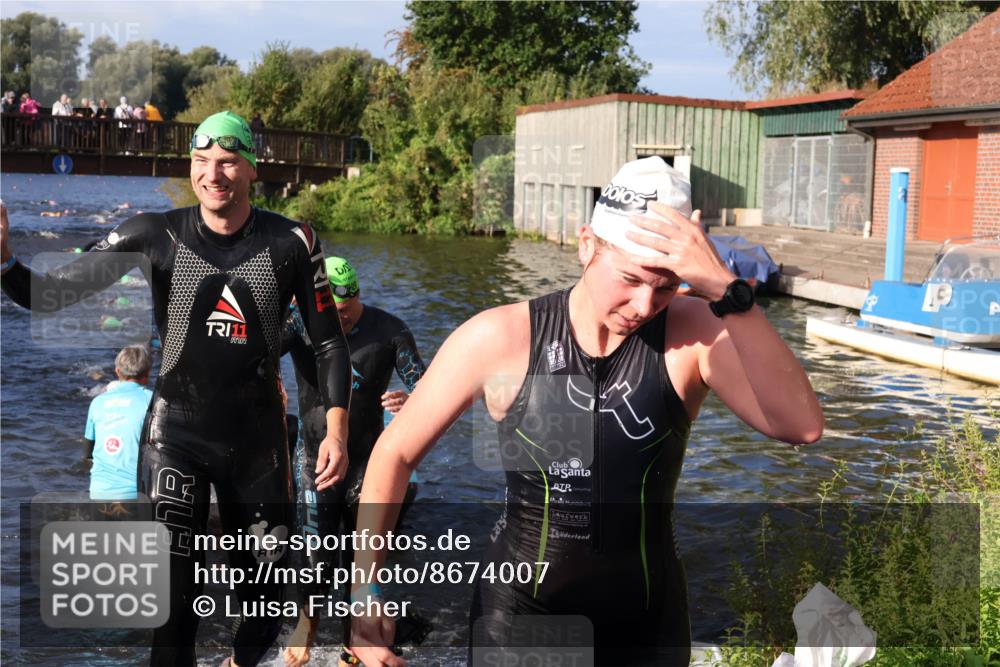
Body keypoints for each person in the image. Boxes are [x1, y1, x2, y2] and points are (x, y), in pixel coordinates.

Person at [347, 157, 825, 666]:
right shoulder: (501, 338)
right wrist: (366, 593)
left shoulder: (697, 333)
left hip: (646, 625)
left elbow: (801, 426)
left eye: (666, 285)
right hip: (519, 619)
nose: (644, 304)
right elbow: (394, 454)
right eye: (630, 277)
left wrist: (729, 293)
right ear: (586, 245)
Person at [0, 110, 353, 667]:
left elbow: (330, 344)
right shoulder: (153, 232)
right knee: (173, 601)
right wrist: (4, 261)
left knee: (262, 601)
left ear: (252, 170)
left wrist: (336, 430)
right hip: (176, 439)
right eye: (202, 161)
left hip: (257, 446)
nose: (214, 174)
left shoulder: (292, 241)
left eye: (228, 161)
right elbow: (51, 295)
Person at [281, 256, 427, 667]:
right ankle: (307, 627)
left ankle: (353, 643)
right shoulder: (299, 323)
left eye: (345, 313)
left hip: (367, 466)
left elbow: (430, 386)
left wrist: (411, 400)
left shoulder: (389, 330)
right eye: (330, 313)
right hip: (315, 461)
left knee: (361, 563)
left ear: (357, 296)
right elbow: (253, 359)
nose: (338, 322)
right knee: (315, 559)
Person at [83, 345, 154, 500]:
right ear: (148, 373)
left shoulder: (97, 402)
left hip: (99, 493)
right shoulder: (153, 400)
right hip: (135, 494)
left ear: (117, 372)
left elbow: (88, 453)